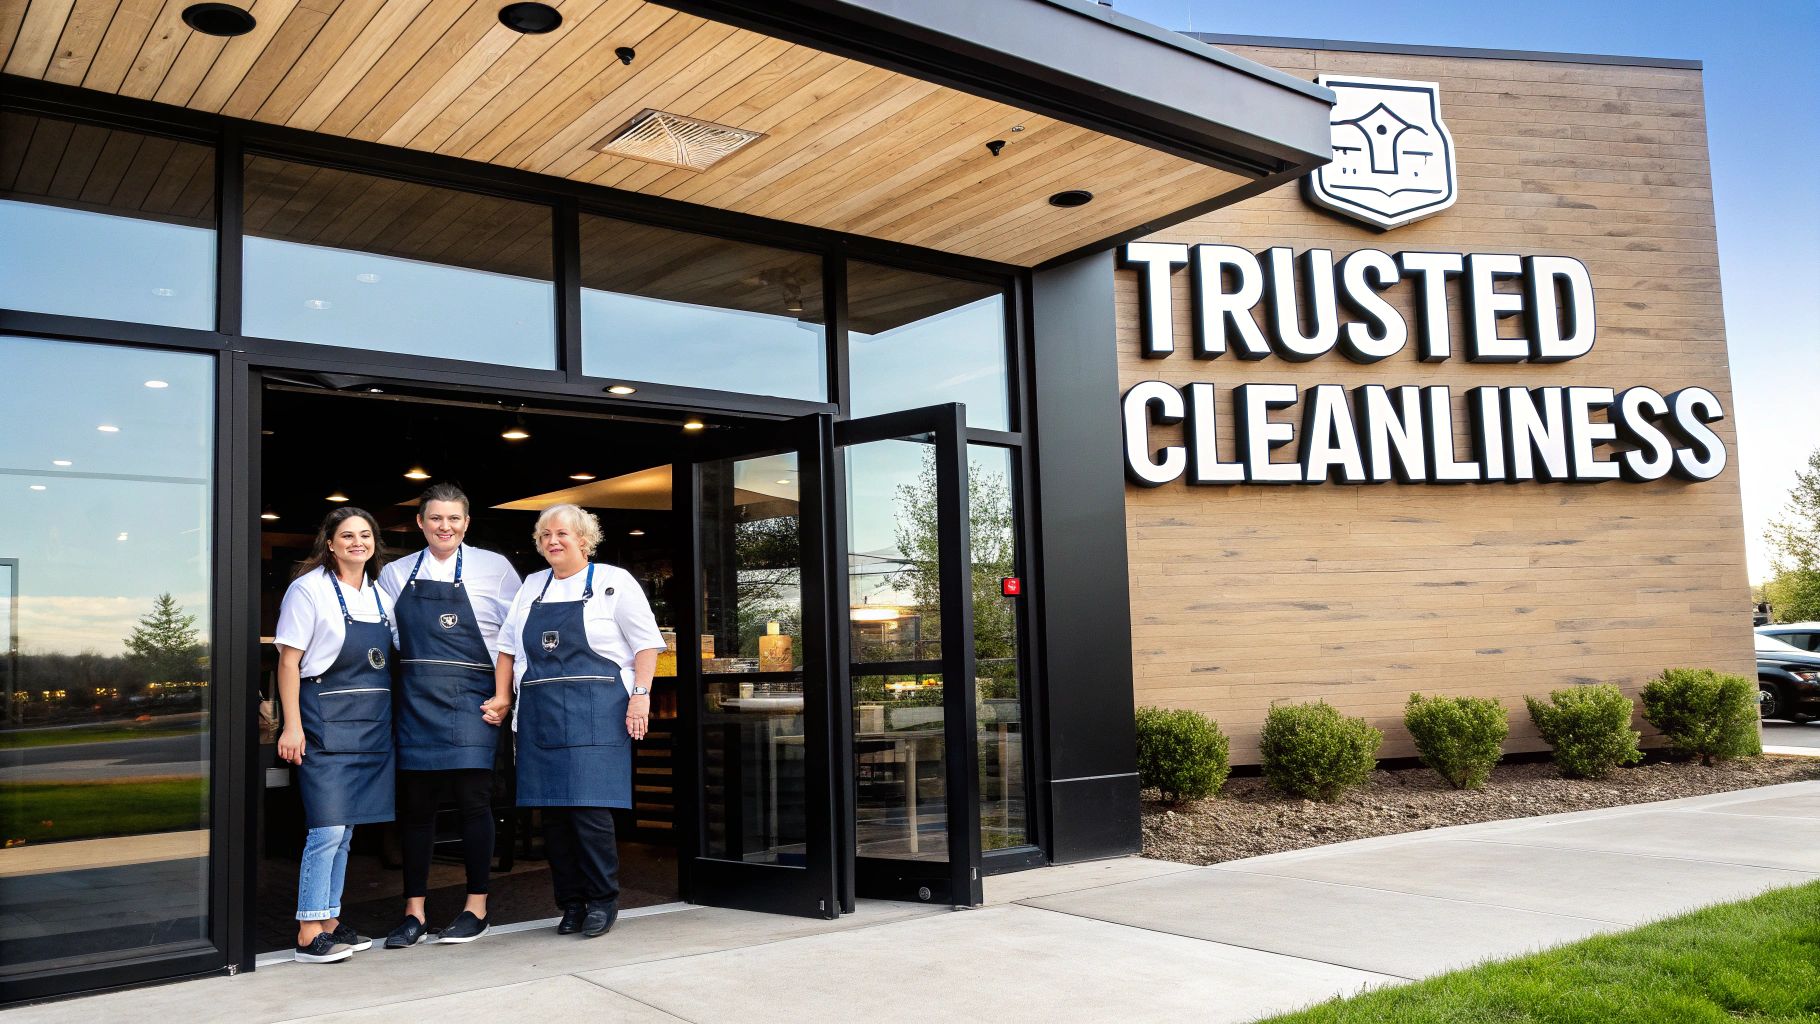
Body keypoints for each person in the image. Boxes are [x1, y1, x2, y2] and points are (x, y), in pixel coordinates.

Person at [488, 503, 663, 938]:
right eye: (545, 534)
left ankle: (602, 900)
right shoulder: (532, 586)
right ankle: (570, 904)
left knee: (589, 812)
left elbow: (646, 645)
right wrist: (503, 697)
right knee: (554, 818)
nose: (552, 540)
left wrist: (640, 697)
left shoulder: (613, 582)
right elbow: (507, 649)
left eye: (562, 533)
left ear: (584, 539)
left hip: (597, 714)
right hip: (541, 715)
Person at [376, 483, 523, 948]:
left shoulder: (495, 568)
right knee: (417, 808)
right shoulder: (395, 573)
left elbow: (515, 636)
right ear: (420, 522)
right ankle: (414, 914)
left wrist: (505, 695)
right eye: (436, 518)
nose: (445, 527)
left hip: (474, 700)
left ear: (467, 522)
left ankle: (476, 908)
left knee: (473, 801)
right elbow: (386, 635)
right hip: (417, 700)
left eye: (454, 518)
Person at [274, 507, 396, 964]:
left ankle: (329, 920)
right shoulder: (308, 590)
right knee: (325, 829)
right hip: (323, 719)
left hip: (370, 726)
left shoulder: (380, 595)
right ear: (330, 543)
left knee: (345, 831)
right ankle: (308, 931)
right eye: (347, 536)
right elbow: (289, 662)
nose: (357, 542)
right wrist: (292, 725)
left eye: (365, 535)